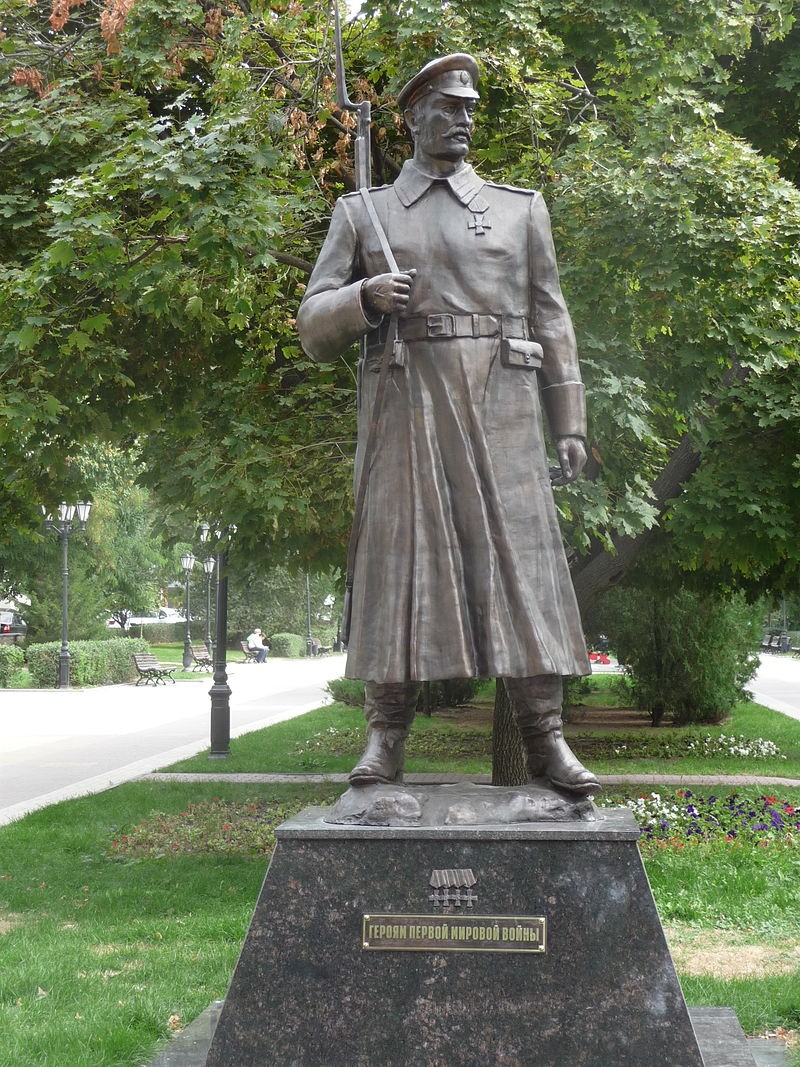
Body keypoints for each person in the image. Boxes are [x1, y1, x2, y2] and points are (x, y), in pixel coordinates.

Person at [297, 54, 599, 796]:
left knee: (524, 569)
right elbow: (312, 326)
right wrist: (363, 296)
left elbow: (552, 317)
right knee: (397, 564)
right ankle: (385, 738)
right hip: (406, 403)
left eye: (470, 109)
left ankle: (546, 740)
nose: (464, 120)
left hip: (503, 407)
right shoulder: (364, 213)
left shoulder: (519, 209)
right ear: (412, 118)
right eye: (449, 107)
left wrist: (569, 421)